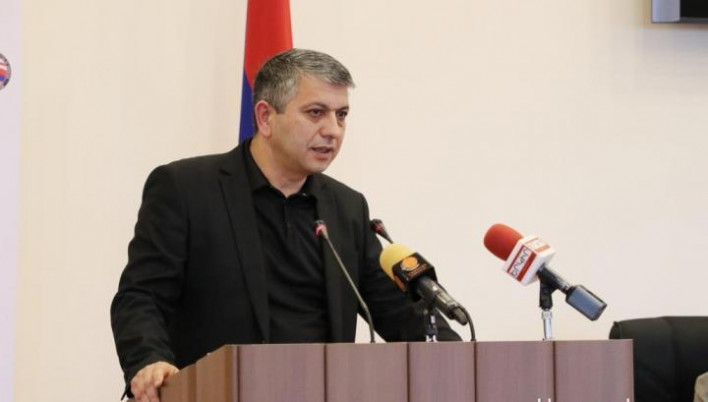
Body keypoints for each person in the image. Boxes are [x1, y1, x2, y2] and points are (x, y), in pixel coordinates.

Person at [110, 49, 461, 402]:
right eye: (316, 113)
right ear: (265, 117)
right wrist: (149, 360)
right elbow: (142, 296)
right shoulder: (187, 189)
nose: (333, 130)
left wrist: (459, 362)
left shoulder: (346, 208)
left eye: (341, 115)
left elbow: (397, 310)